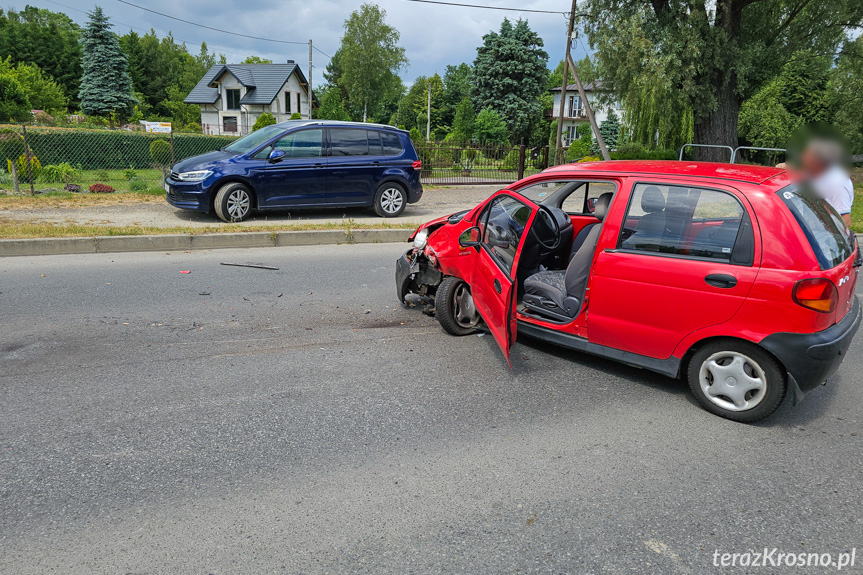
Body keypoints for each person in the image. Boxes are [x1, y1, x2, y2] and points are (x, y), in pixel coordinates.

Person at [800, 138, 854, 226]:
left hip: (824, 235)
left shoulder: (837, 183)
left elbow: (845, 222)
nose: (801, 157)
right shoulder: (812, 172)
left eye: (806, 155)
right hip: (810, 228)